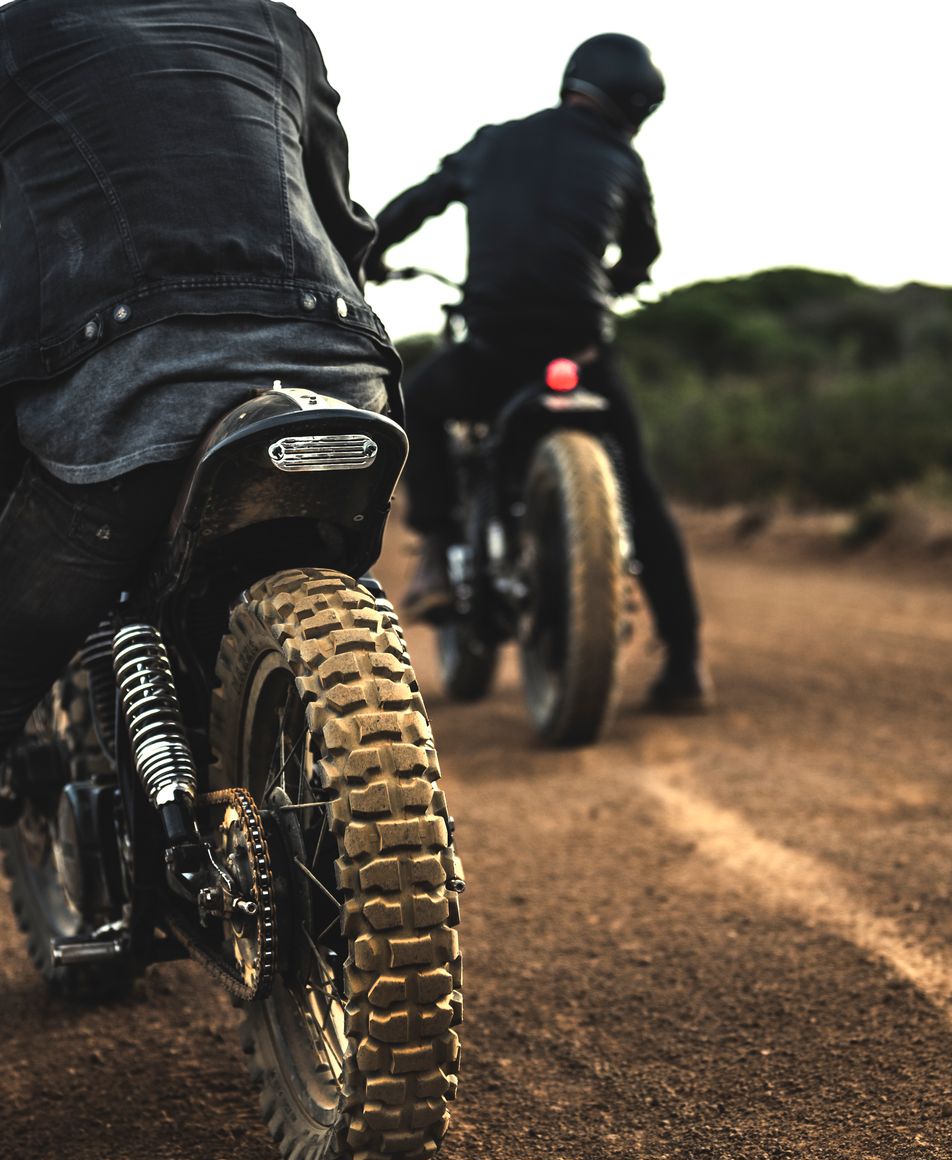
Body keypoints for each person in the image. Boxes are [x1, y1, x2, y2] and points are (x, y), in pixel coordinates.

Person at [0, 0, 401, 772]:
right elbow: (341, 216)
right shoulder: (274, 26)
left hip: (129, 389)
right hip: (334, 378)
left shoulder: (20, 36)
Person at [365, 33, 710, 711]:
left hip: (493, 347)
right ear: (635, 109)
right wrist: (614, 282)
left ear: (574, 79)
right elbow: (645, 250)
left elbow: (417, 202)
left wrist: (369, 256)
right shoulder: (622, 159)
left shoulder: (496, 142)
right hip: (579, 349)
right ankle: (686, 665)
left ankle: (435, 552)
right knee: (639, 490)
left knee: (422, 402)